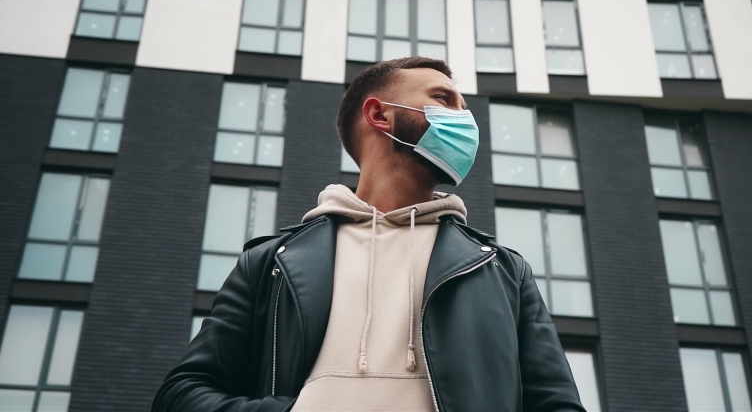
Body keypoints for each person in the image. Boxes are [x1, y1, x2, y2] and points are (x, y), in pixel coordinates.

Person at [152, 57, 587, 412]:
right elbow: (182, 395)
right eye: (443, 100)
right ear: (379, 115)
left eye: (463, 107)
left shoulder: (504, 271)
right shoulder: (270, 264)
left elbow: (558, 404)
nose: (463, 118)